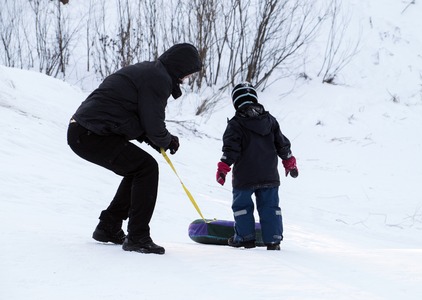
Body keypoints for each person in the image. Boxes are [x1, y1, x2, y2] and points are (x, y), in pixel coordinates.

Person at [67, 43, 201, 254]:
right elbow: (153, 125)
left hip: (85, 131)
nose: (185, 79)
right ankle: (138, 236)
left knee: (137, 168)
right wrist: (166, 141)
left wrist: (153, 140)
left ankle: (108, 226)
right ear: (180, 67)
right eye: (187, 73)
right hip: (90, 133)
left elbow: (131, 116)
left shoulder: (151, 72)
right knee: (146, 168)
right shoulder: (158, 79)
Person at [215, 82, 298, 251]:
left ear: (236, 103)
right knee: (270, 208)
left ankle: (245, 239)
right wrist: (289, 162)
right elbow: (282, 144)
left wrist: (223, 169)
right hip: (269, 175)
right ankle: (273, 240)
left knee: (242, 208)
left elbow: (231, 150)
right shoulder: (270, 121)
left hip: (245, 177)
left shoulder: (235, 125)